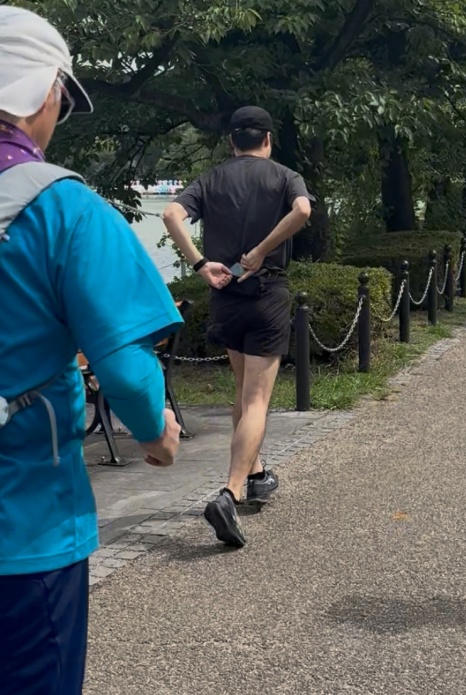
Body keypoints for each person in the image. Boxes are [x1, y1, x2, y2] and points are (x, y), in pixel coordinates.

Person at [0, 7, 183, 693]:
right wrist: (156, 432)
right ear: (46, 93)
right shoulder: (65, 210)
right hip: (24, 527)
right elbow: (127, 373)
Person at [164, 106, 312, 548]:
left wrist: (199, 265)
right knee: (256, 400)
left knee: (245, 392)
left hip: (225, 293)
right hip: (266, 292)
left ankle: (258, 474)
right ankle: (230, 493)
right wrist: (263, 250)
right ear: (268, 139)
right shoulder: (285, 176)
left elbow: (170, 214)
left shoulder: (211, 180)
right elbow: (303, 210)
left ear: (231, 141)